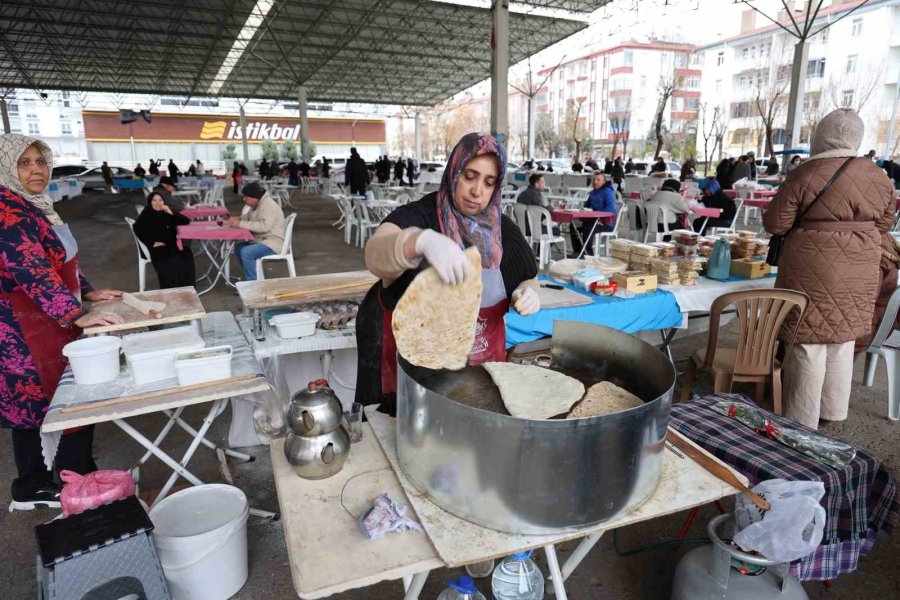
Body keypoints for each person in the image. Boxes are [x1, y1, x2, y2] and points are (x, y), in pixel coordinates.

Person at [355, 133, 539, 413]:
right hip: (410, 370)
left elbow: (529, 275)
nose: (477, 191)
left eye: (489, 183)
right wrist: (419, 241)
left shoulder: (502, 230)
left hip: (480, 368)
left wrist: (529, 291)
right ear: (454, 170)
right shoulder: (418, 216)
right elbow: (375, 255)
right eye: (469, 176)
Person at [0, 134, 124, 511]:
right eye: (24, 163)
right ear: (7, 167)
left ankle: (72, 470)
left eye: (40, 161)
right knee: (33, 401)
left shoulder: (36, 206)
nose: (36, 169)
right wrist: (74, 313)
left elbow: (61, 259)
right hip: (23, 326)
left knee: (62, 394)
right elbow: (32, 269)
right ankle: (33, 486)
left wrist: (87, 292)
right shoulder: (8, 212)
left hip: (49, 317)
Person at [763, 108, 894, 429]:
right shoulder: (878, 175)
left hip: (810, 267)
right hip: (862, 267)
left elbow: (776, 223)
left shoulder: (805, 173)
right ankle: (833, 413)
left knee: (807, 344)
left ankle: (801, 420)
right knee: (842, 339)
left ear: (820, 136)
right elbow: (886, 222)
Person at [133, 192, 196, 289]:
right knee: (170, 259)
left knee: (186, 253)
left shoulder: (166, 212)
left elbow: (186, 221)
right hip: (158, 248)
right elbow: (137, 228)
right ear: (150, 202)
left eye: (160, 200)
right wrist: (151, 243)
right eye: (154, 200)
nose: (157, 203)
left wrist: (170, 212)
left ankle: (186, 287)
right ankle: (172, 287)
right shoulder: (147, 213)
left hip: (170, 245)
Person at [229, 182, 286, 281]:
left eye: (245, 197)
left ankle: (252, 284)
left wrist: (240, 224)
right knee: (238, 248)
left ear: (253, 198)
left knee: (246, 252)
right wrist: (239, 218)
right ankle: (252, 277)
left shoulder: (268, 205)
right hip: (263, 240)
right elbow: (248, 217)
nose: (244, 199)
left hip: (273, 242)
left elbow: (264, 226)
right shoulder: (258, 204)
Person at [575, 171, 616, 256]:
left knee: (587, 228)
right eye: (594, 180)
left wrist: (597, 217)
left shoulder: (608, 192)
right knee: (574, 225)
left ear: (604, 181)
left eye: (598, 180)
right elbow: (586, 206)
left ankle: (588, 255)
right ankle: (578, 251)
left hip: (607, 223)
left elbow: (609, 211)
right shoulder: (592, 193)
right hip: (594, 220)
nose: (595, 182)